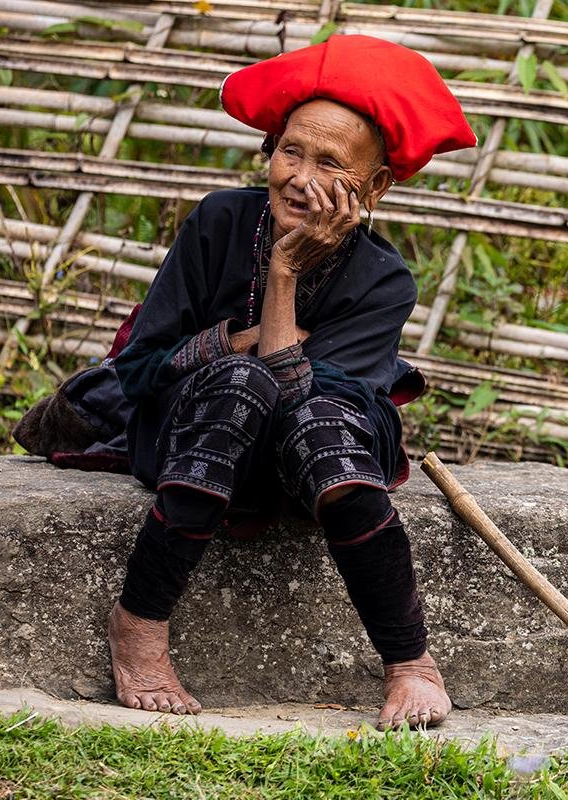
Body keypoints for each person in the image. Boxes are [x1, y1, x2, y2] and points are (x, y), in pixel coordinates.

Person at [106, 35, 476, 729]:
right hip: (199, 445)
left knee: (311, 413)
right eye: (291, 151)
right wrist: (233, 341)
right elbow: (135, 369)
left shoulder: (384, 280)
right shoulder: (219, 221)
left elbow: (302, 402)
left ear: (375, 188)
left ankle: (410, 663)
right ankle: (139, 624)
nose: (300, 177)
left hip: (309, 466)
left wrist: (282, 277)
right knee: (242, 382)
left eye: (331, 163)